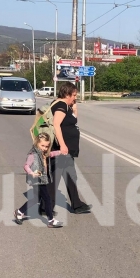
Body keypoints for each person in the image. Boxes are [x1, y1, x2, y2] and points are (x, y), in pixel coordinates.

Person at [48, 83, 91, 214]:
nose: (75, 97)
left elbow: (73, 119)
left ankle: (76, 204)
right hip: (62, 149)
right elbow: (56, 125)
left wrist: (74, 106)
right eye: (73, 95)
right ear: (66, 94)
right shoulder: (60, 105)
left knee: (70, 177)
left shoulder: (66, 106)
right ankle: (45, 206)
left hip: (65, 149)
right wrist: (62, 145)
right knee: (55, 179)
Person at [14, 133, 64, 228]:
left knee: (36, 198)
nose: (45, 148)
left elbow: (51, 154)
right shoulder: (33, 154)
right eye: (42, 145)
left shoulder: (44, 153)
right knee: (47, 199)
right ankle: (51, 220)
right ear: (37, 143)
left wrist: (60, 152)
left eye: (47, 146)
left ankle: (19, 212)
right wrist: (31, 173)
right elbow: (26, 166)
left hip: (42, 179)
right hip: (37, 180)